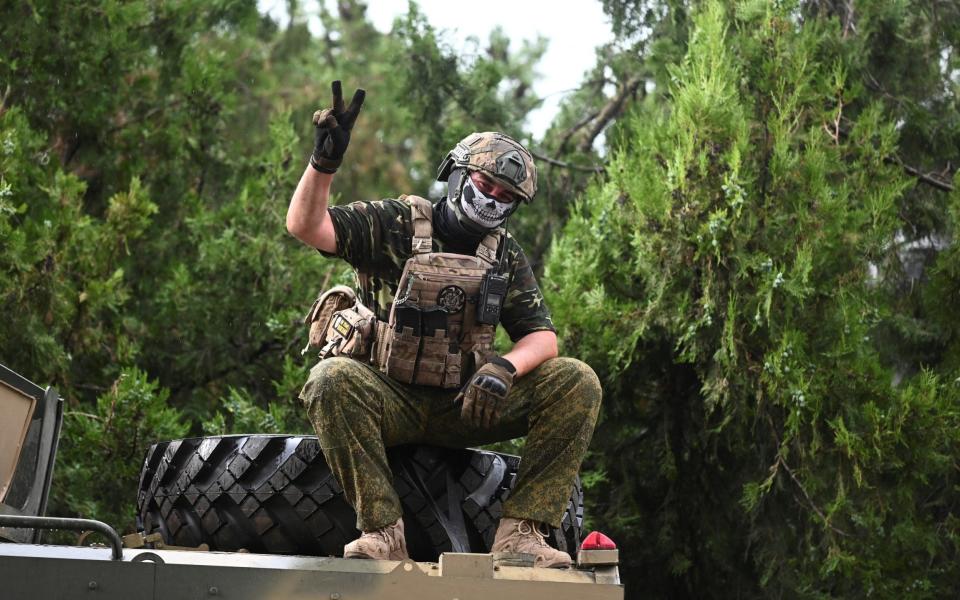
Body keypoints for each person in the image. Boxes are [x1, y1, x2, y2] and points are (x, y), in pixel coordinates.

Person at [286, 81, 601, 569]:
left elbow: (542, 337)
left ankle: (522, 534)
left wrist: (504, 368)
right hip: (389, 397)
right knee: (330, 380)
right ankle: (383, 532)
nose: (492, 199)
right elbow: (307, 226)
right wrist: (323, 164)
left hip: (464, 403)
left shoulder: (504, 254)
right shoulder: (394, 223)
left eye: (505, 195)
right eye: (484, 184)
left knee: (577, 381)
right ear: (456, 175)